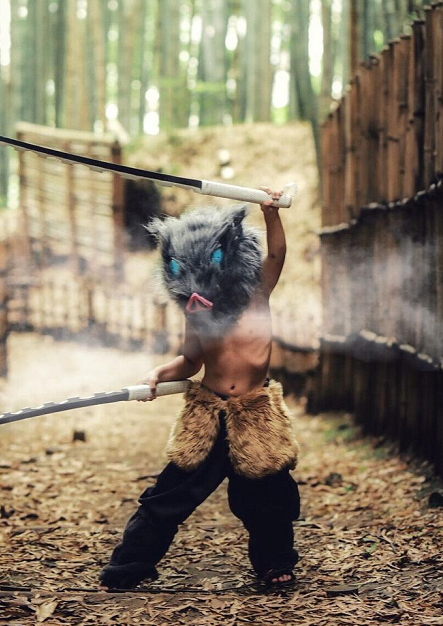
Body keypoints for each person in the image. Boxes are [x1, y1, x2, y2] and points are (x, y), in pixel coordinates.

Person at [99, 188, 300, 590]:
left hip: (254, 417)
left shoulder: (257, 297)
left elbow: (276, 255)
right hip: (207, 418)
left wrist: (271, 213)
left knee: (269, 503)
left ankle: (275, 563)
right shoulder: (199, 312)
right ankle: (129, 566)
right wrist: (158, 373)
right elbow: (189, 362)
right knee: (167, 497)